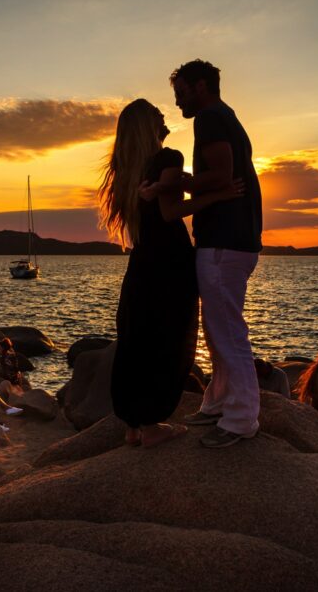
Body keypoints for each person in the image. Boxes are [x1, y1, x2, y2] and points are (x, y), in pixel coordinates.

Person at [100, 98, 243, 448]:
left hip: (142, 264)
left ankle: (133, 424)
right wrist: (219, 195)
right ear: (148, 127)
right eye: (160, 118)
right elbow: (171, 212)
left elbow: (156, 207)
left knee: (138, 337)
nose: (166, 122)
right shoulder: (167, 158)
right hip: (170, 262)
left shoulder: (125, 169)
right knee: (168, 338)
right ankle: (151, 425)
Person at [161, 59, 264, 448]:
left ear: (201, 86)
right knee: (216, 329)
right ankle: (219, 402)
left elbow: (223, 176)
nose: (177, 101)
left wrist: (177, 183)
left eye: (181, 92)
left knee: (226, 331)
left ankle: (241, 420)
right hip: (234, 240)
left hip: (224, 241)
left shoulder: (209, 119)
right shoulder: (227, 117)